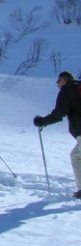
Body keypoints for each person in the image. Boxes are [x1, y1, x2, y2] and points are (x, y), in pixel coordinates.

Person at [33, 71, 81, 199]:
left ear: (64, 79)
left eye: (58, 81)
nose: (57, 84)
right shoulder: (77, 89)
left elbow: (58, 114)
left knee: (77, 157)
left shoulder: (67, 90)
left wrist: (42, 121)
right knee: (76, 156)